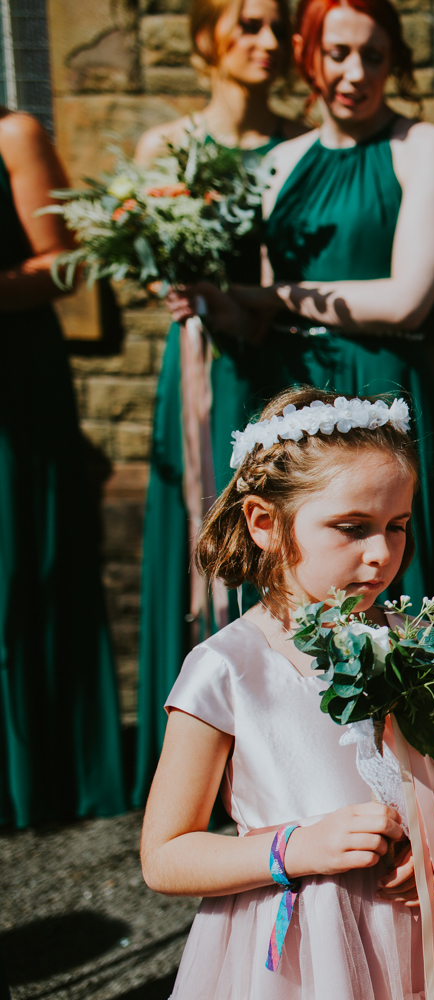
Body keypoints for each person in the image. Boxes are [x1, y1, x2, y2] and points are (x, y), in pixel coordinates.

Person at [139, 386, 434, 999]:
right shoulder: (225, 669)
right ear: (265, 523)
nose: (381, 554)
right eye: (352, 528)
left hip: (425, 935)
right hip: (301, 955)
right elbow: (164, 856)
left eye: (396, 526)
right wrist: (298, 848)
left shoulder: (416, 644)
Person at [171, 0, 434, 657]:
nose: (356, 71)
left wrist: (265, 295)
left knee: (384, 567)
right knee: (293, 566)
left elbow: (406, 302)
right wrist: (224, 312)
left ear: (395, 61)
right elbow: (267, 316)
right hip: (290, 389)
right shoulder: (280, 161)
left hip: (378, 384)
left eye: (374, 54)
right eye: (338, 53)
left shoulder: (421, 146)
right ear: (308, 55)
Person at [134, 0, 310, 809]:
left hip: (277, 355)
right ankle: (197, 765)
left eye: (278, 27)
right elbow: (141, 263)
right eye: (248, 24)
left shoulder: (302, 145)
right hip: (203, 365)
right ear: (209, 34)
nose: (266, 42)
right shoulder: (167, 147)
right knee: (207, 522)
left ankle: (289, 745)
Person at [0, 107, 126, 827]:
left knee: (21, 566)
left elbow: (68, 264)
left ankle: (41, 772)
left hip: (13, 371)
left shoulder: (12, 133)